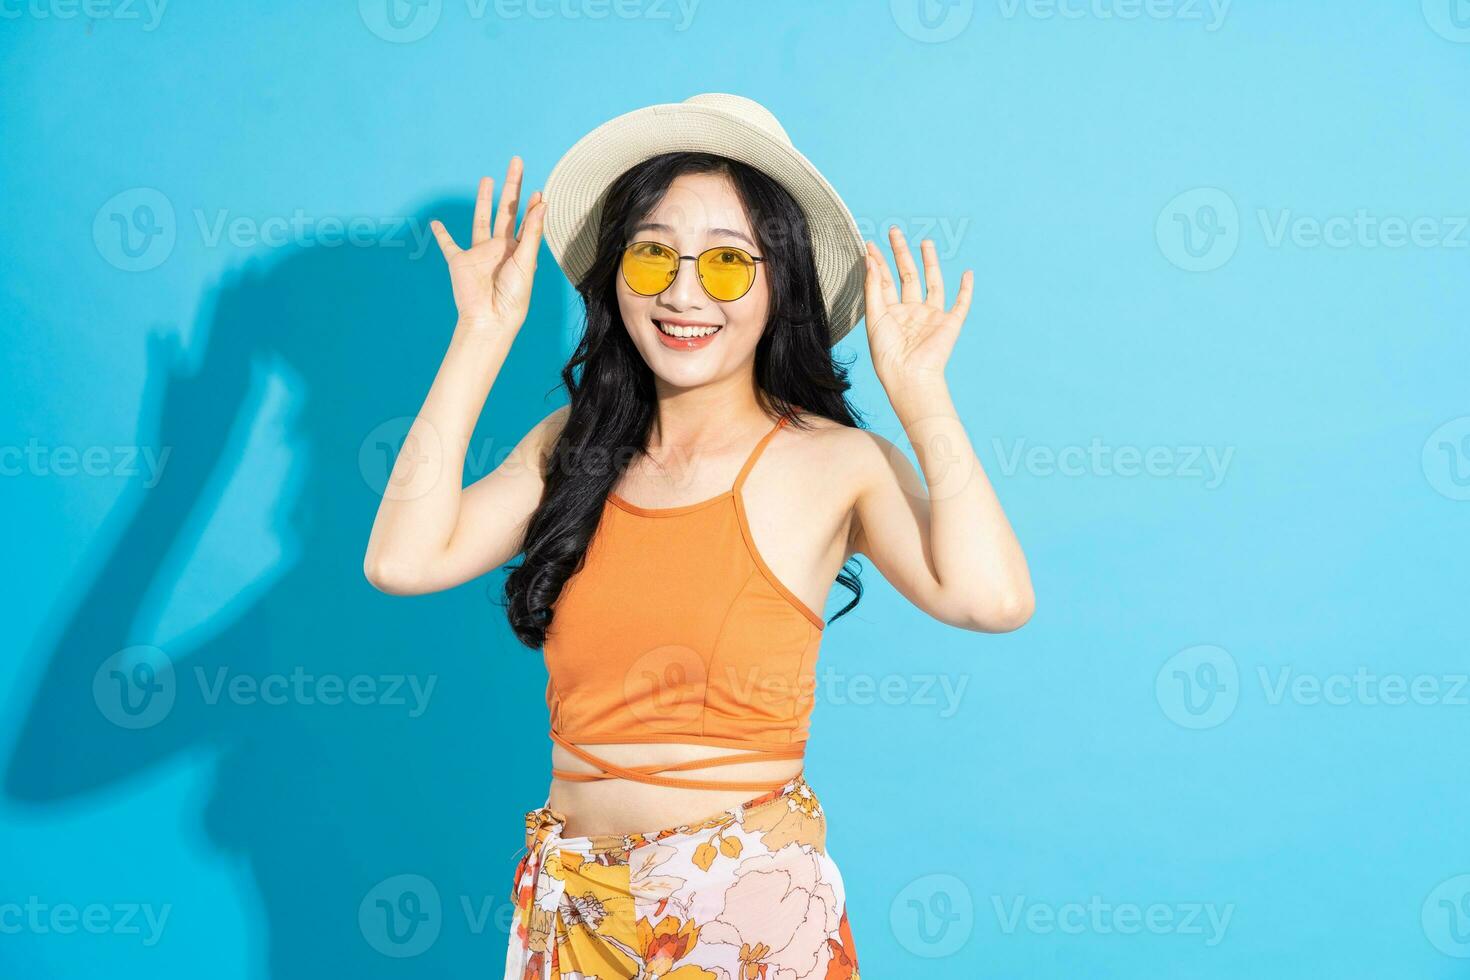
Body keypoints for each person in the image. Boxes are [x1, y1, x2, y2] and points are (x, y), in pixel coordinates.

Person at [363, 93, 1034, 980]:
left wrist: (921, 396)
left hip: (745, 914)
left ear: (779, 285)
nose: (683, 294)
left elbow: (993, 599)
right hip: (572, 912)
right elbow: (401, 561)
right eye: (653, 257)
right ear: (617, 276)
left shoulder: (837, 463)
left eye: (726, 265)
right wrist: (481, 339)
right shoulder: (575, 449)